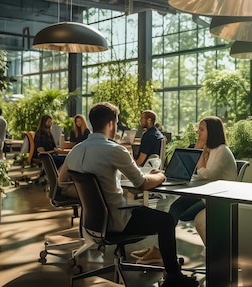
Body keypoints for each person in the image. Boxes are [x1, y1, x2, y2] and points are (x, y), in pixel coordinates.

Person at [57, 102, 198, 287]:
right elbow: (141, 184)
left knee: (157, 217)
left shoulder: (76, 151)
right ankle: (174, 278)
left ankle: (171, 273)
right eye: (116, 121)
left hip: (91, 223)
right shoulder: (115, 149)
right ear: (110, 124)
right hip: (118, 221)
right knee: (167, 221)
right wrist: (161, 176)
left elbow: (61, 181)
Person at [133, 116, 237, 261]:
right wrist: (165, 174)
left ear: (212, 132)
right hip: (205, 194)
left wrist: (199, 153)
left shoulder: (221, 151)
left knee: (178, 210)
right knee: (175, 207)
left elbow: (208, 176)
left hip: (217, 199)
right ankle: (159, 249)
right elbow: (194, 173)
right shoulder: (210, 149)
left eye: (201, 129)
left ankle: (160, 251)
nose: (198, 132)